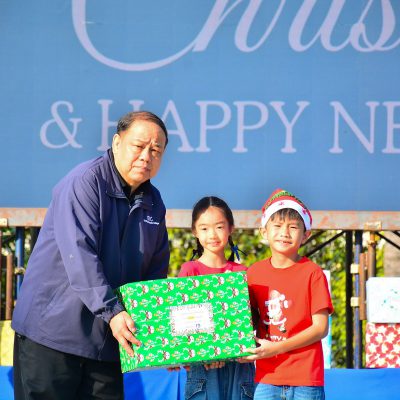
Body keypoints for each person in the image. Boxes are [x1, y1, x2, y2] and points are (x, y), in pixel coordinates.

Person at [12, 111, 170, 400]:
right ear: (117, 142)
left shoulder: (154, 203)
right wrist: (114, 312)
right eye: (138, 146)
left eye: (156, 150)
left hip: (108, 343)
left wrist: (161, 331)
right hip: (53, 335)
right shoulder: (85, 181)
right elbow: (80, 256)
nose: (146, 156)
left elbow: (155, 273)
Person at [240, 189, 333, 400]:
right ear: (264, 231)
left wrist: (276, 348)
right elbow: (244, 320)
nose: (285, 233)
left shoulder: (313, 273)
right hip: (266, 378)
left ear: (306, 235)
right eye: (277, 226)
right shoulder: (253, 273)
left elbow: (320, 328)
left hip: (306, 380)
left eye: (293, 227)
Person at [178, 196, 255, 400]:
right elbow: (182, 323)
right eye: (204, 228)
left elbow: (251, 319)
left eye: (219, 227)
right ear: (194, 231)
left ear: (231, 228)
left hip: (240, 366)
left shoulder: (242, 272)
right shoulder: (189, 271)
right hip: (202, 368)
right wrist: (206, 353)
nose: (212, 234)